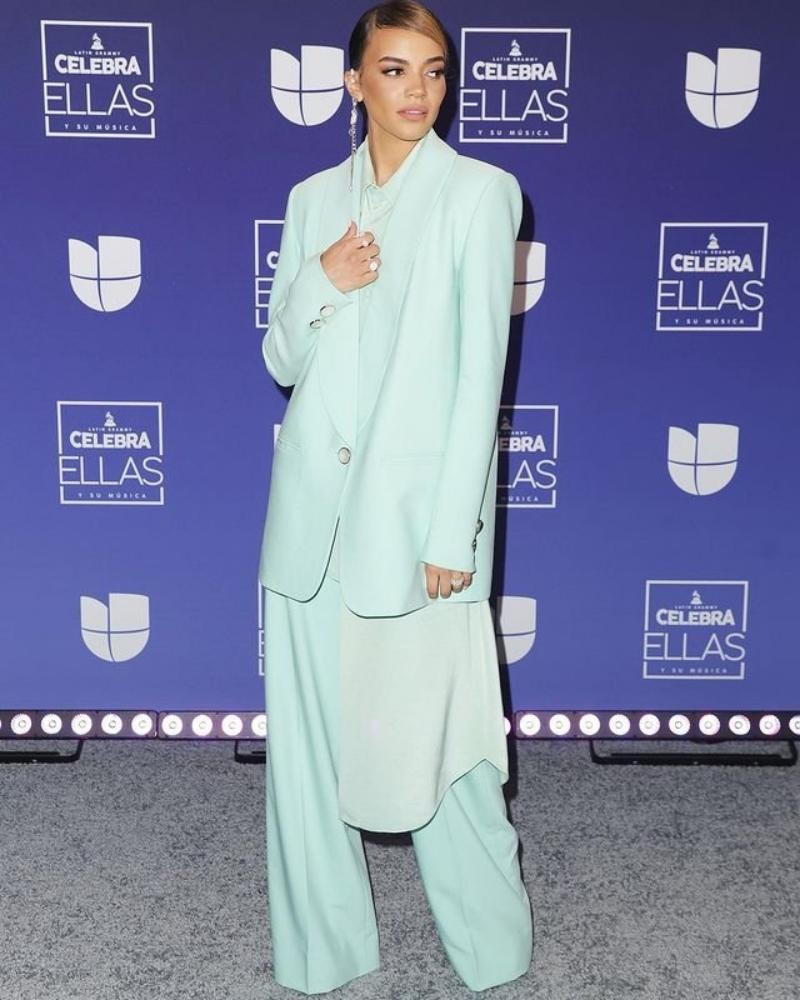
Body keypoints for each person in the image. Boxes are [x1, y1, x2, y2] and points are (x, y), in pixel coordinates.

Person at [258, 1, 533, 993]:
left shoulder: (480, 194)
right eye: (394, 69)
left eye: (434, 70)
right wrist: (322, 280)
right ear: (353, 82)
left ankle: (492, 951)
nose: (418, 90)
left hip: (417, 531)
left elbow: (479, 375)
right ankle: (322, 956)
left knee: (444, 750)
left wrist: (454, 530)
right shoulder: (309, 201)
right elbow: (281, 357)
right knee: (305, 763)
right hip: (308, 526)